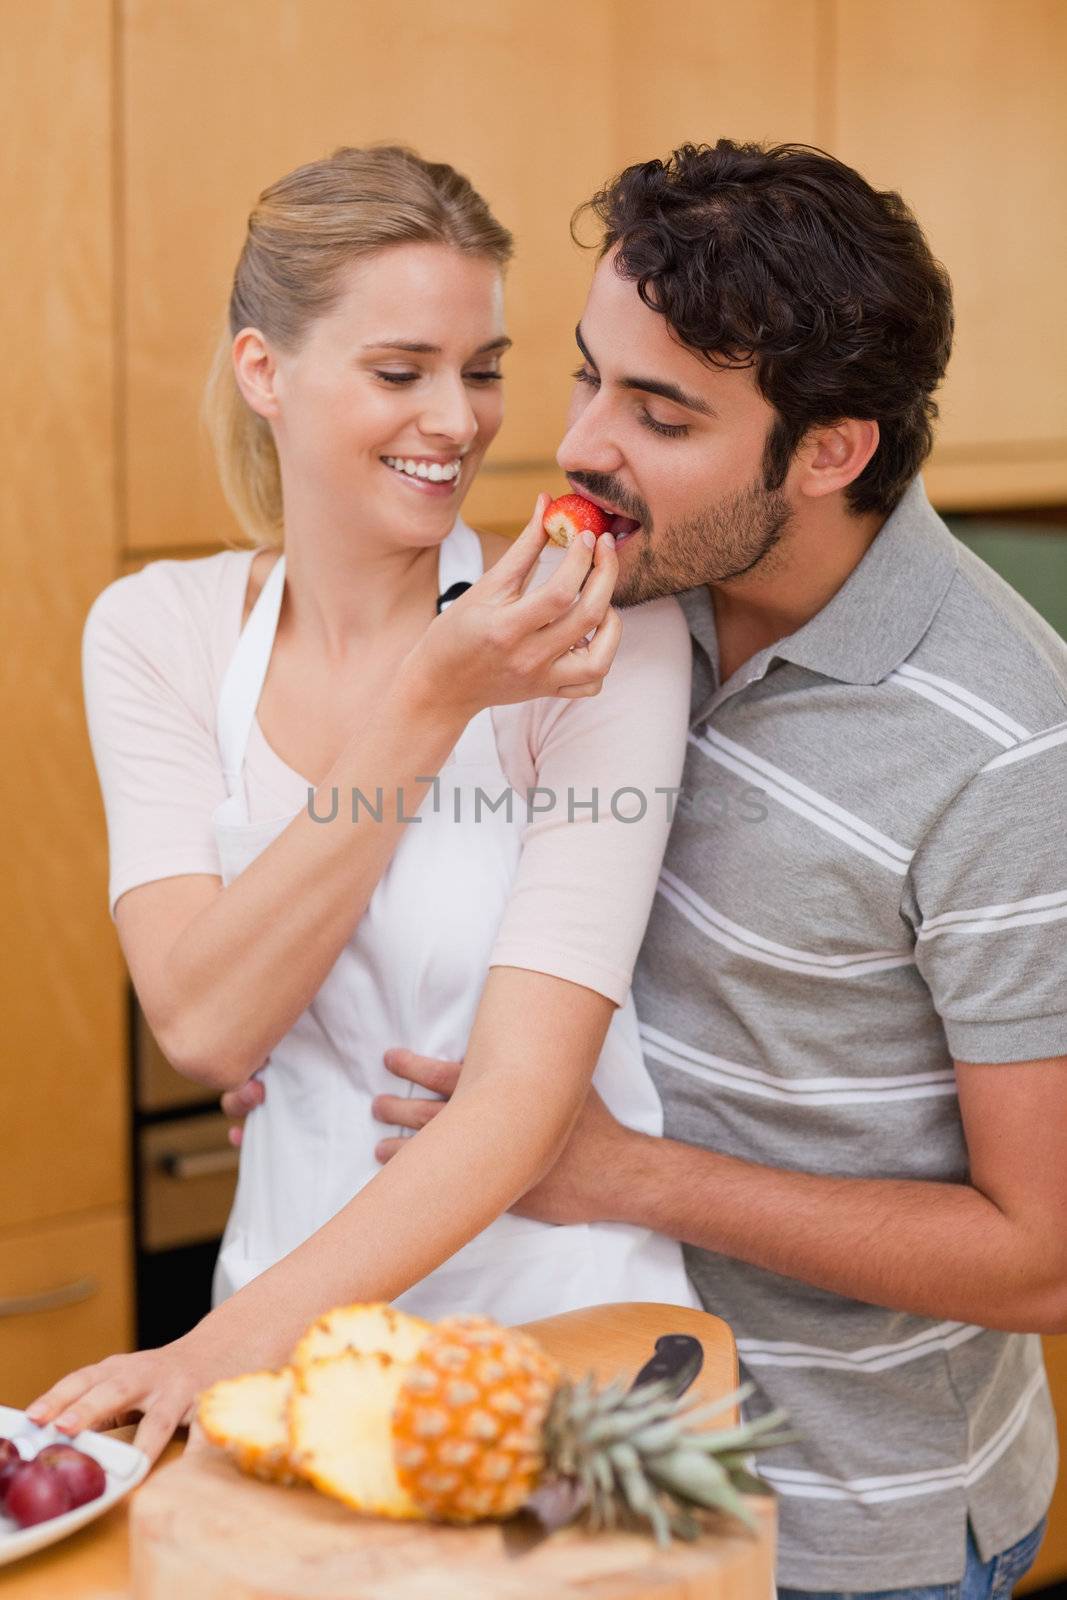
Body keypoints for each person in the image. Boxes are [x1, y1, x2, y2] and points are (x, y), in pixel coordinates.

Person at [359, 142, 1065, 1595]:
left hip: (850, 1527)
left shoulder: (1011, 756)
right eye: (587, 376)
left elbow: (1042, 1255)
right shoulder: (618, 597)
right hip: (584, 1461)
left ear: (829, 451)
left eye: (662, 412)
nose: (581, 446)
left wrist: (622, 1174)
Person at [25, 144, 699, 1462]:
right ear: (262, 371)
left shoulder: (594, 634)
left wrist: (206, 1356)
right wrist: (431, 700)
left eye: (486, 368)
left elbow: (520, 1103)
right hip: (284, 1371)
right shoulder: (158, 633)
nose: (458, 419)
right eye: (402, 372)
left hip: (569, 1371)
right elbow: (209, 1025)